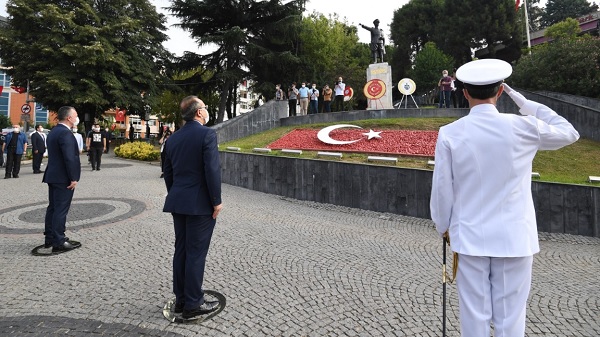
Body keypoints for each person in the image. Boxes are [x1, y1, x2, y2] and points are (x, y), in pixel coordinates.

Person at [430, 59, 580, 337]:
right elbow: (570, 132)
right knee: (511, 317)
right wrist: (524, 102)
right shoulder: (525, 127)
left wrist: (443, 227)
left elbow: (442, 189)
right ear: (500, 91)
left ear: (464, 93)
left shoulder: (450, 133)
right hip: (515, 237)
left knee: (474, 316)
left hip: (470, 236)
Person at [163, 95, 223, 320]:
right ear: (199, 112)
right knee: (196, 253)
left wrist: (177, 194)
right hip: (199, 205)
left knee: (182, 251)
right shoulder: (207, 134)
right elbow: (212, 170)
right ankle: (193, 304)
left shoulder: (172, 139)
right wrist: (216, 201)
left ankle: (181, 299)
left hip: (178, 201)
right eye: (205, 107)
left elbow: (168, 173)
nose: (207, 111)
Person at [43, 106, 82, 252]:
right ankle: (59, 241)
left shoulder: (54, 131)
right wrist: (73, 177)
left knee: (52, 208)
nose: (77, 118)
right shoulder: (65, 133)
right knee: (60, 209)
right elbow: (69, 158)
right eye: (76, 115)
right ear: (69, 118)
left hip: (53, 175)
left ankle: (50, 238)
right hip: (63, 177)